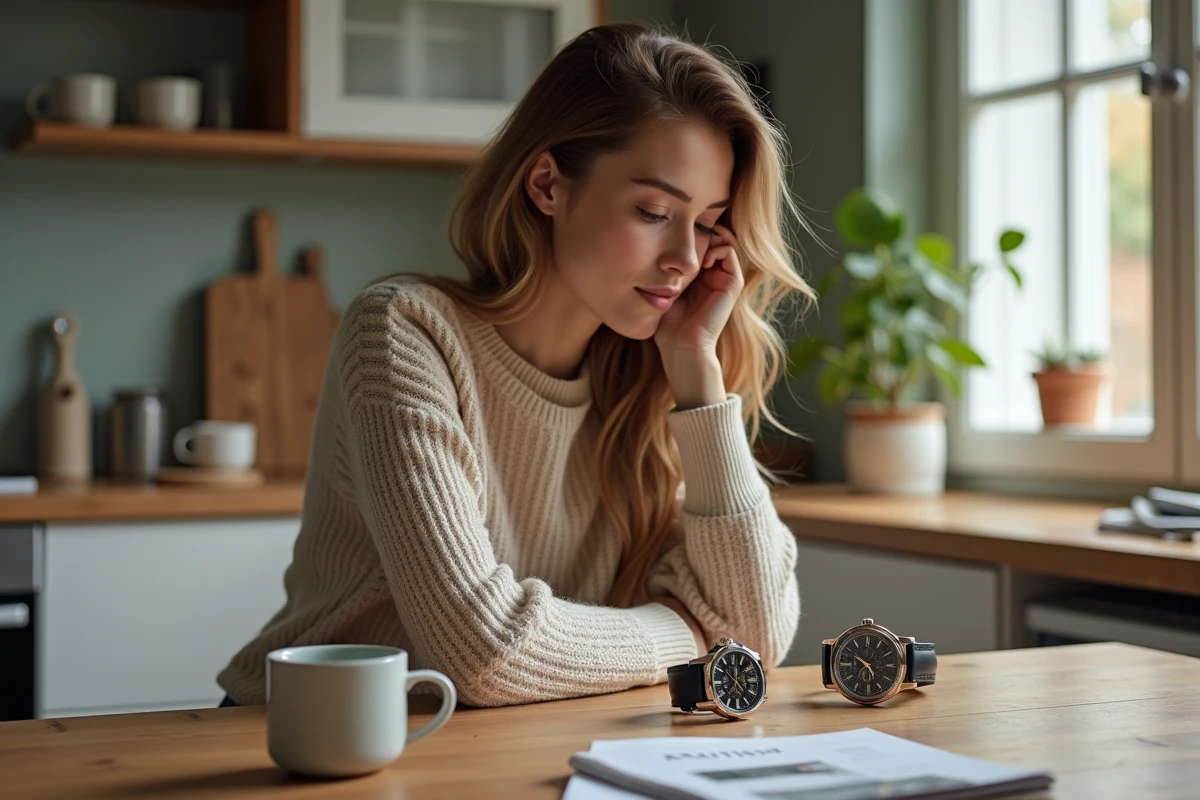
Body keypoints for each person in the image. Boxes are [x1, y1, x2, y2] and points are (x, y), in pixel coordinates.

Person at [216, 21, 814, 709]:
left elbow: (759, 631)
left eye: (708, 221)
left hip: (508, 745)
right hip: (322, 740)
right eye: (654, 210)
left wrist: (698, 375)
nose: (686, 257)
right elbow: (481, 652)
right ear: (546, 185)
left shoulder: (649, 381)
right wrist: (692, 636)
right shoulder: (407, 334)